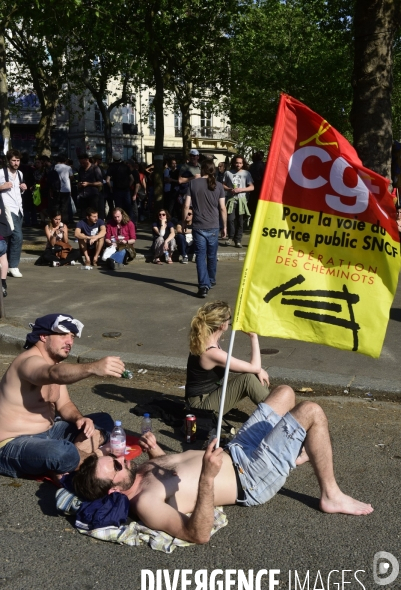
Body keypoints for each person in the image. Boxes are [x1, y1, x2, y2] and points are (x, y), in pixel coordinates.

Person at [73, 386, 374, 544]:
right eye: (114, 466)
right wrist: (208, 478)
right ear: (114, 490)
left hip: (236, 450)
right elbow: (197, 534)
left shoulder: (136, 474)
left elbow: (173, 476)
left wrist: (155, 452)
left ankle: (293, 454)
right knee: (310, 411)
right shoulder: (147, 504)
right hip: (250, 477)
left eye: (113, 459)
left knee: (284, 393)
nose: (119, 459)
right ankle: (330, 493)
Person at [0, 313, 125, 479]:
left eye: (72, 336)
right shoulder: (28, 362)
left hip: (50, 431)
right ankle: (86, 457)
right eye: (63, 335)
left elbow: (64, 404)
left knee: (103, 420)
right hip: (13, 443)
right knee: (62, 452)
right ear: (43, 336)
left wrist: (79, 419)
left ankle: (73, 458)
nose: (70, 342)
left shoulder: (54, 363)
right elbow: (52, 374)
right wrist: (91, 368)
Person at [185, 301, 270, 414]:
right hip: (200, 406)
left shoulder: (204, 339)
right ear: (222, 325)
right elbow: (254, 367)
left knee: (255, 375)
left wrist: (257, 369)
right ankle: (278, 413)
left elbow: (253, 367)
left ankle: (274, 409)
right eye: (229, 318)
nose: (231, 321)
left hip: (208, 396)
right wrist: (253, 336)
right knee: (248, 378)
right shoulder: (212, 352)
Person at [183, 159, 227, 298]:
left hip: (198, 225)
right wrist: (224, 226)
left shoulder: (193, 184)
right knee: (212, 255)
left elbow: (186, 206)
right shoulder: (219, 186)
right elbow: (222, 208)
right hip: (213, 225)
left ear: (201, 169)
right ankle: (211, 280)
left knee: (200, 256)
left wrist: (184, 222)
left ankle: (203, 286)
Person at [0, 149, 27, 278]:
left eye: (18, 160)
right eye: (13, 160)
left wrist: (23, 188)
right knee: (18, 236)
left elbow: (17, 192)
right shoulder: (1, 173)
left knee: (11, 237)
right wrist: (1, 186)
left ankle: (6, 262)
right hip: (7, 208)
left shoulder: (20, 174)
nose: (16, 163)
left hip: (18, 209)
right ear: (8, 161)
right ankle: (13, 266)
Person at [223, 155, 254, 248]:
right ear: (233, 163)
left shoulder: (246, 173)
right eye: (237, 163)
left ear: (243, 163)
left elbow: (252, 187)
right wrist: (229, 189)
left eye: (240, 163)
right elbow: (222, 185)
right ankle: (230, 237)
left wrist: (241, 190)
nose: (238, 165)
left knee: (240, 221)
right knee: (230, 219)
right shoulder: (228, 173)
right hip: (231, 200)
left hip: (242, 200)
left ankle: (238, 240)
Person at [106, 153, 134, 218]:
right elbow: (132, 179)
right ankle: (131, 222)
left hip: (117, 190)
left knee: (118, 207)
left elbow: (107, 180)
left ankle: (119, 221)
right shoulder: (126, 167)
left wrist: (110, 187)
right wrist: (128, 186)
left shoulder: (111, 167)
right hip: (126, 190)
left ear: (113, 159)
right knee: (128, 207)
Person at [53, 154, 74, 225]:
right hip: (66, 189)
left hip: (56, 189)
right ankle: (64, 222)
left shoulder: (55, 167)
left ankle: (56, 220)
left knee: (57, 205)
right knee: (65, 207)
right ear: (65, 160)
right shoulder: (68, 167)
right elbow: (72, 177)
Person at [248, 151, 266, 224]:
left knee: (253, 205)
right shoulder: (263, 165)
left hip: (253, 187)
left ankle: (252, 220)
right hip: (260, 187)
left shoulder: (252, 166)